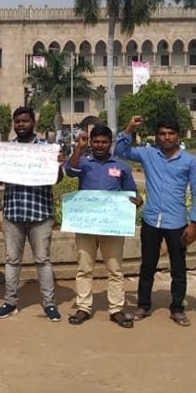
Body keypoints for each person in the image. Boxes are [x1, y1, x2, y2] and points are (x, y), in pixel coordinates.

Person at [115, 115, 196, 327]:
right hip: (152, 219)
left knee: (178, 268)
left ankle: (178, 308)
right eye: (162, 134)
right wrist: (129, 128)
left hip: (177, 221)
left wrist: (194, 223)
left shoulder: (190, 161)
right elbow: (120, 151)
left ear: (178, 136)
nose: (167, 137)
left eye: (171, 134)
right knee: (147, 266)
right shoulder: (148, 154)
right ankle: (143, 305)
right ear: (156, 136)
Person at [64, 125, 142, 328]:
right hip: (86, 227)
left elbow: (132, 192)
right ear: (90, 142)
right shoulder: (83, 162)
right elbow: (69, 171)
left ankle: (116, 309)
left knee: (115, 269)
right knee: (84, 268)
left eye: (104, 142)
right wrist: (78, 148)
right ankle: (83, 307)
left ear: (110, 143)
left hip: (112, 227)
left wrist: (137, 200)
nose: (99, 145)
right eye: (95, 141)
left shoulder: (121, 166)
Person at [0, 107, 65, 322]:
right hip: (13, 212)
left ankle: (49, 304)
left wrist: (58, 166)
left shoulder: (47, 149)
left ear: (33, 122)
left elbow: (57, 180)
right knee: (12, 260)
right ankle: (10, 302)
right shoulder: (7, 149)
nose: (21, 125)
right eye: (17, 122)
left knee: (43, 260)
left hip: (40, 212)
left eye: (25, 121)